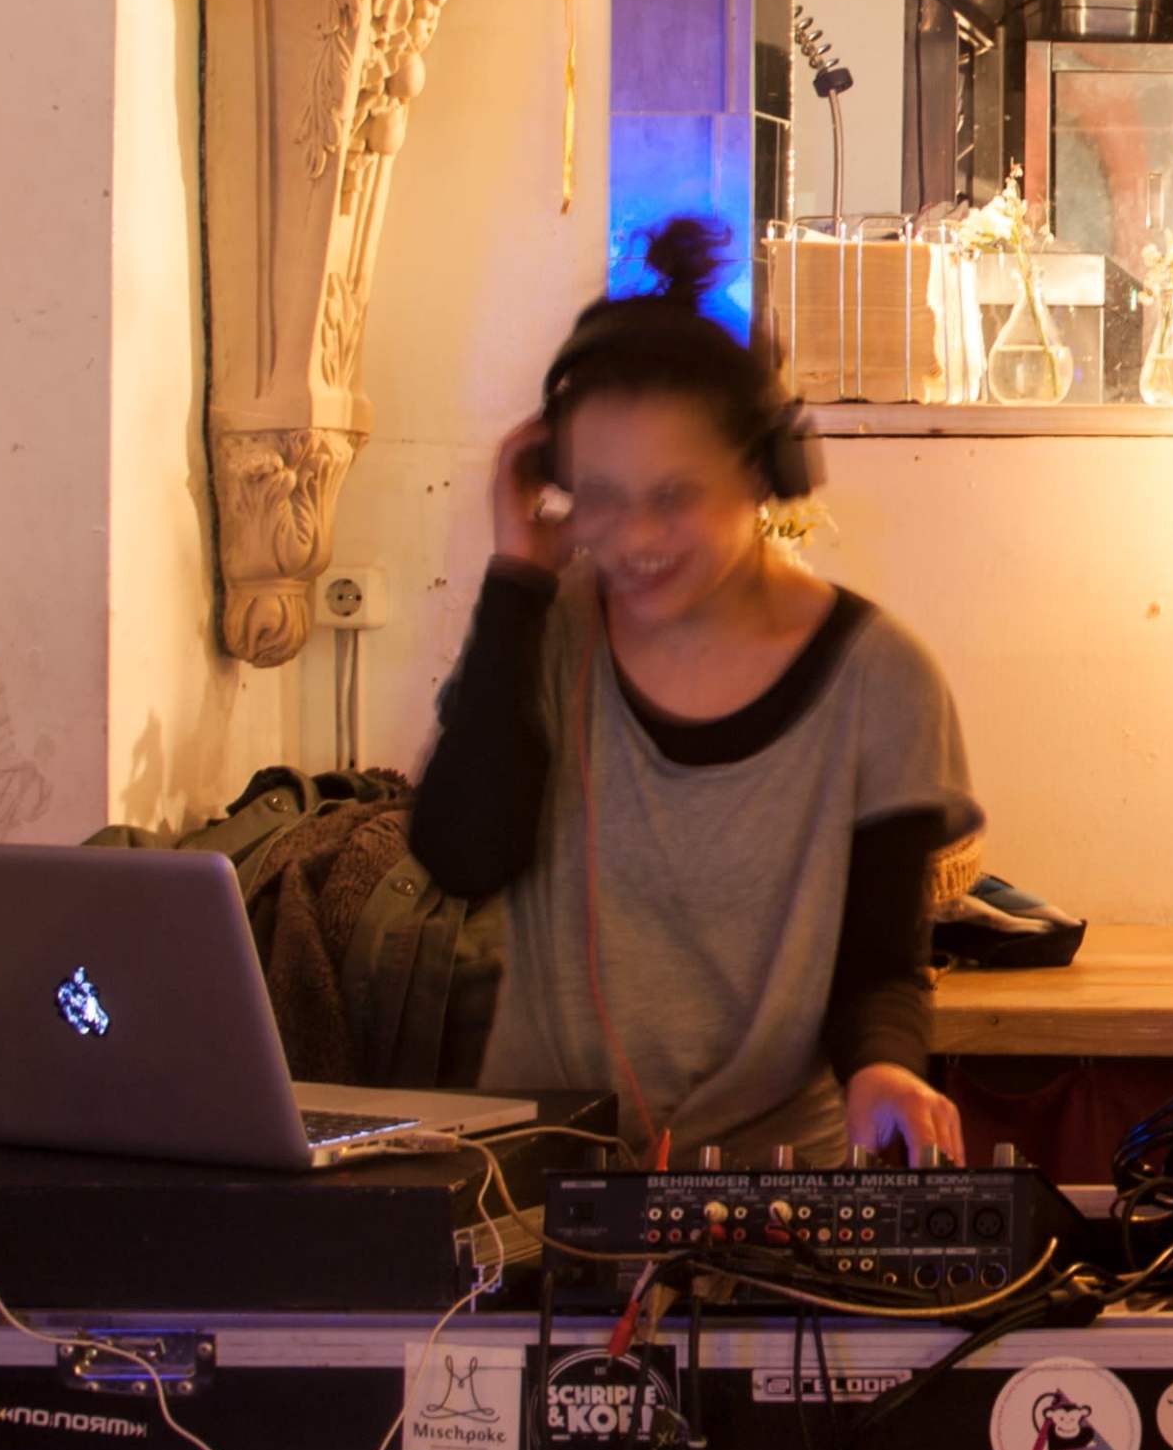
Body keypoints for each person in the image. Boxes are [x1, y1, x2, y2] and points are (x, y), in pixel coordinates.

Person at [409, 218, 974, 1165]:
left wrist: (886, 1067)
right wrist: (515, 579)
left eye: (673, 496)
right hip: (536, 1181)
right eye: (600, 494)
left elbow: (881, 966)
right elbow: (462, 855)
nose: (632, 537)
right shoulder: (544, 633)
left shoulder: (883, 679)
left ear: (765, 476)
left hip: (776, 1183)